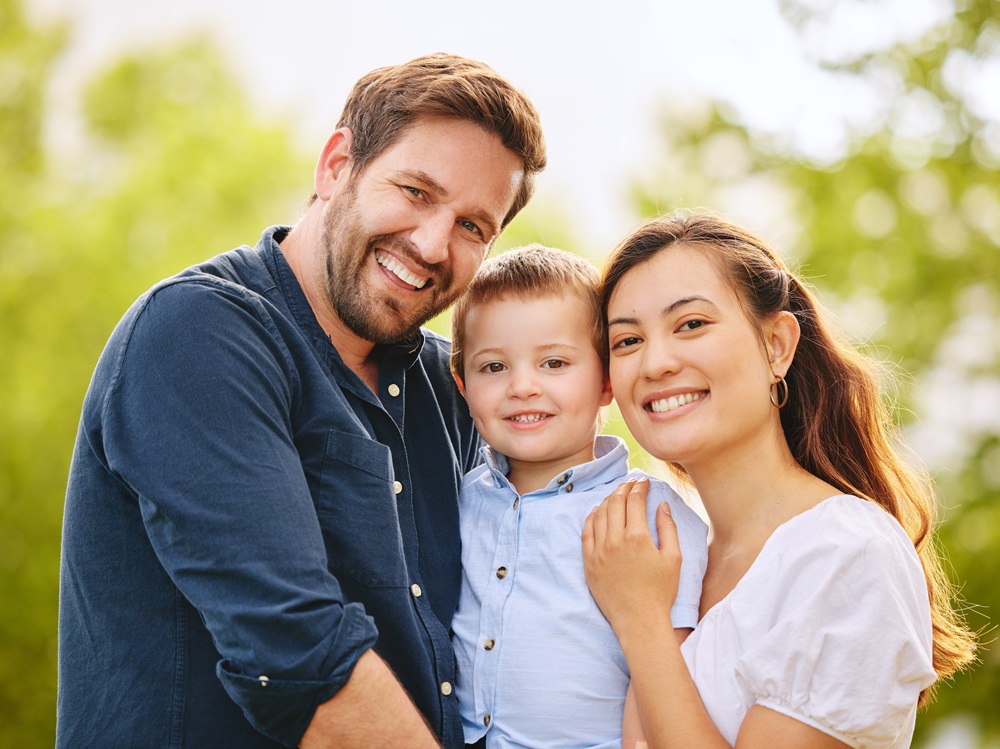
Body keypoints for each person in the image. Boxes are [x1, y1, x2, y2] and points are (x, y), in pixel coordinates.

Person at [57, 53, 546, 749]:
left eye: (474, 226)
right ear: (336, 164)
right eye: (414, 191)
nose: (433, 243)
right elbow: (298, 656)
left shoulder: (457, 386)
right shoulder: (198, 332)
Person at [582, 211, 978, 748]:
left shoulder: (849, 553)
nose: (655, 363)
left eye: (691, 324)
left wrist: (642, 623)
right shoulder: (664, 558)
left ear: (777, 346)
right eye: (626, 341)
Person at [447, 245, 708, 749]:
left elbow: (674, 681)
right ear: (462, 386)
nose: (522, 386)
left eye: (554, 362)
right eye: (494, 367)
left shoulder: (649, 513)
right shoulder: (457, 499)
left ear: (607, 380)